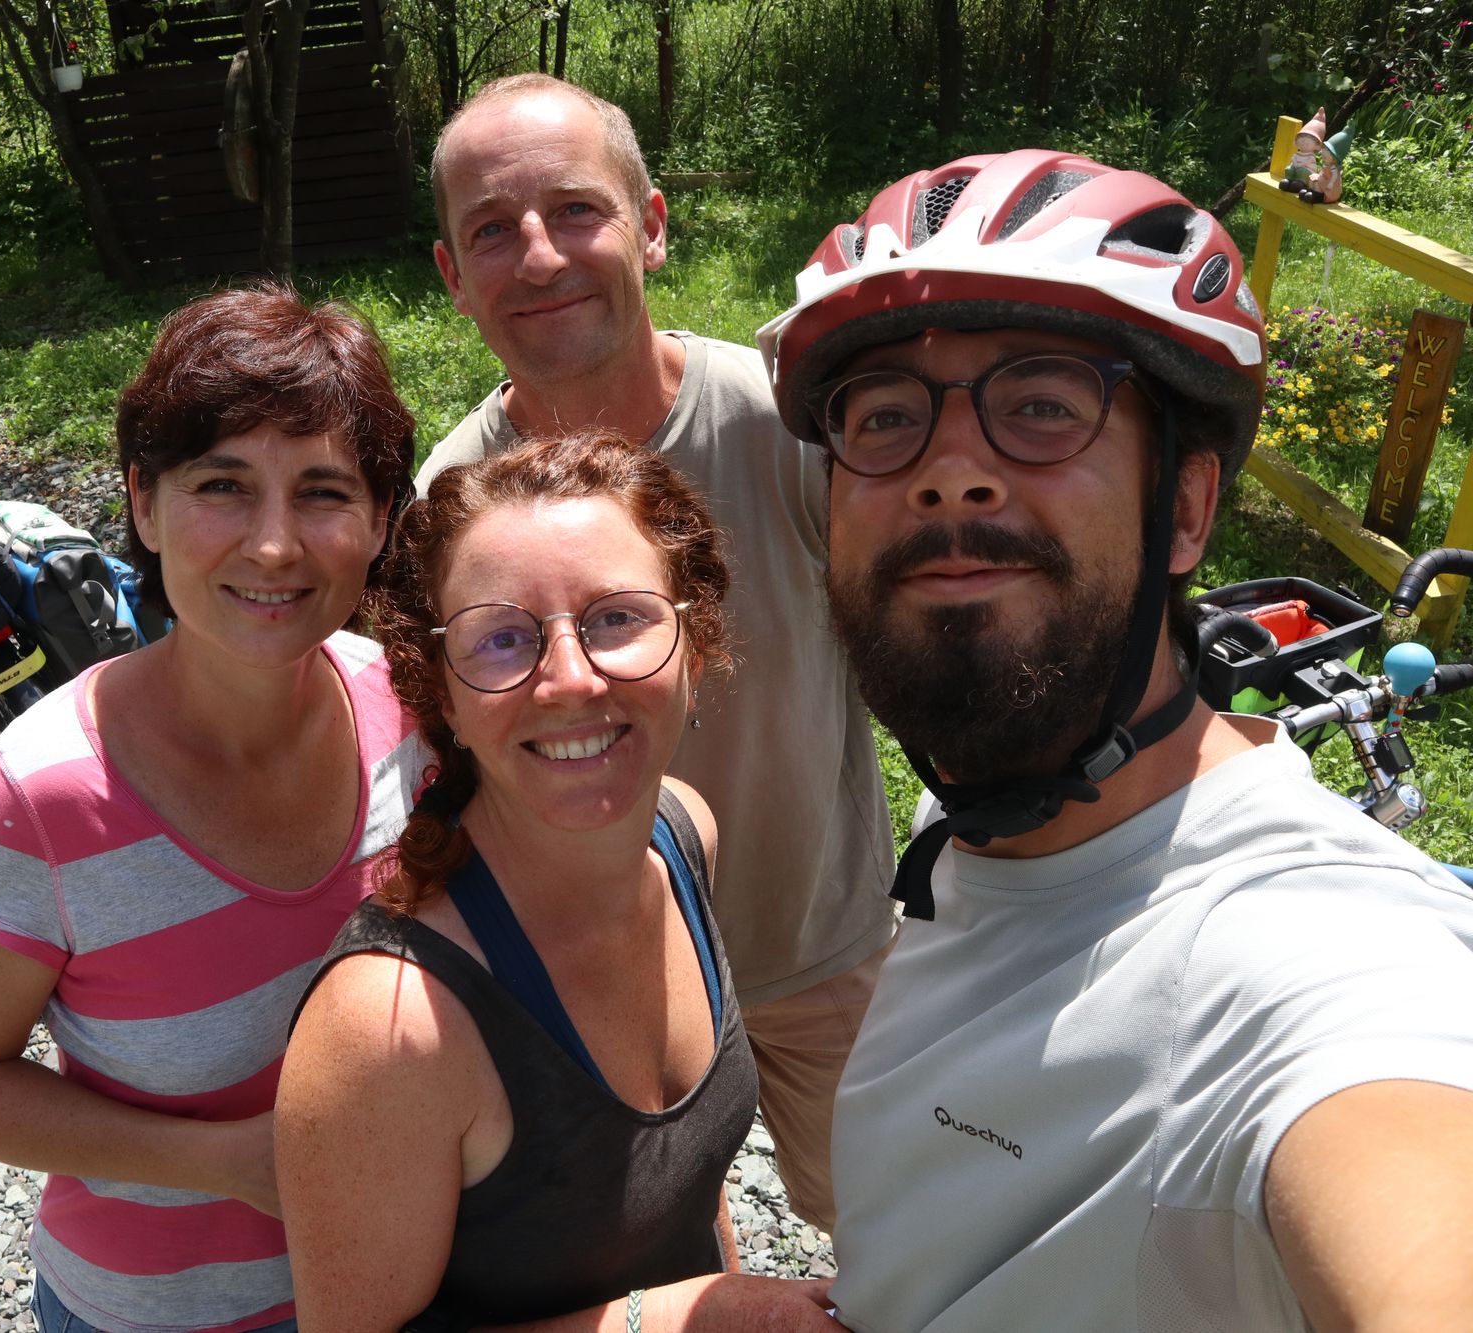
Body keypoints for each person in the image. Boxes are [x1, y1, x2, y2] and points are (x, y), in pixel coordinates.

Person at [757, 148, 1473, 1330]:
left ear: (1183, 510)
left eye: (1041, 404)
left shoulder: (1303, 958)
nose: (947, 475)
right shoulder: (987, 817)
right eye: (882, 418)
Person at [417, 72, 895, 1231]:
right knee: (669, 1256)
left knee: (895, 1243)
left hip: (814, 943)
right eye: (491, 229)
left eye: (575, 209)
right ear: (450, 276)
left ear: (653, 225)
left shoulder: (782, 422)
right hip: (600, 978)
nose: (537, 256)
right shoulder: (448, 503)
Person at [0, 284, 427, 1333]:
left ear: (378, 521)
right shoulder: (41, 799)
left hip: (405, 1277)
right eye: (222, 484)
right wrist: (218, 1162)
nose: (274, 546)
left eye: (323, 491)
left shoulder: (408, 709)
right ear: (143, 503)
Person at [277, 433, 838, 1332]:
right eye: (502, 638)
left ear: (694, 650)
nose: (570, 678)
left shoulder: (682, 836)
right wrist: (677, 1320)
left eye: (617, 616)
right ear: (444, 698)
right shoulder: (394, 1027)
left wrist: (718, 1291)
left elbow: (684, 1198)